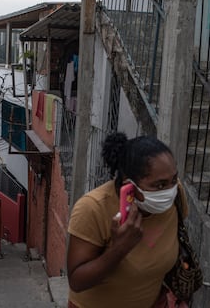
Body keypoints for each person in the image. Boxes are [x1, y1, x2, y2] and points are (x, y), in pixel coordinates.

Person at [66, 132, 188, 308]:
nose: (169, 190)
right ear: (128, 184)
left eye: (173, 180)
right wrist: (119, 249)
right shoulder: (93, 208)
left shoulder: (176, 196)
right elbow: (77, 281)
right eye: (159, 185)